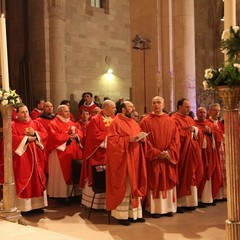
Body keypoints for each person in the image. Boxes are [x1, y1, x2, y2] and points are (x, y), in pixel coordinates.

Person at [0, 104, 48, 214]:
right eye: (22, 112)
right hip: (22, 159)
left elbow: (45, 134)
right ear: (17, 114)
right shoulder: (12, 125)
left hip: (36, 159)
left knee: (37, 180)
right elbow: (10, 139)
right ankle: (25, 207)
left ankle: (38, 205)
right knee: (24, 180)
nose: (25, 114)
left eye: (26, 111)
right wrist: (26, 139)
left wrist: (35, 134)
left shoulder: (36, 123)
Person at [106, 101, 147, 226]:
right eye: (130, 107)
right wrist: (128, 140)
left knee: (134, 184)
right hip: (123, 160)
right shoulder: (116, 122)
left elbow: (137, 137)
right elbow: (112, 141)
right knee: (126, 186)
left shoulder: (134, 122)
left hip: (135, 159)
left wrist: (142, 139)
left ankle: (134, 213)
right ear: (123, 109)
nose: (133, 109)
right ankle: (122, 215)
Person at [140, 96, 180, 218]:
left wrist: (169, 152)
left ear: (163, 105)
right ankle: (155, 209)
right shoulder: (145, 121)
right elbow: (143, 140)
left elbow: (176, 140)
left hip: (167, 157)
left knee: (167, 181)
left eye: (159, 103)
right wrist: (155, 152)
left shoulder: (171, 121)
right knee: (155, 181)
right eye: (154, 103)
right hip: (154, 159)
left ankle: (168, 208)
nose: (156, 105)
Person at [80, 100, 116, 209]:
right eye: (113, 108)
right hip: (98, 154)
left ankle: (109, 203)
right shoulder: (95, 120)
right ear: (106, 108)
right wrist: (110, 138)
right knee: (98, 177)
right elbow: (94, 137)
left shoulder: (115, 119)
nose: (115, 110)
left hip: (112, 155)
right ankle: (95, 204)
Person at [171, 98, 203, 212]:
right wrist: (188, 131)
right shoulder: (174, 119)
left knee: (192, 175)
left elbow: (196, 132)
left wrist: (194, 130)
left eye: (189, 107)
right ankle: (180, 203)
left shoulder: (190, 119)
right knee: (182, 175)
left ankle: (191, 202)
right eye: (186, 107)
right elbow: (175, 135)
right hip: (182, 152)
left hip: (192, 152)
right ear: (179, 107)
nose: (189, 109)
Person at [47, 105, 83, 201]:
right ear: (59, 112)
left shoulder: (71, 122)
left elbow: (80, 133)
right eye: (66, 111)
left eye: (69, 111)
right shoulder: (53, 123)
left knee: (74, 171)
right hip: (60, 152)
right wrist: (68, 137)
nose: (68, 113)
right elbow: (54, 137)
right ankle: (61, 195)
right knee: (61, 173)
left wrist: (76, 136)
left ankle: (74, 194)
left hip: (73, 152)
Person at [195, 107, 222, 207]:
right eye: (200, 112)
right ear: (197, 113)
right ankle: (198, 199)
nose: (202, 114)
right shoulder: (194, 124)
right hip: (199, 155)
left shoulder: (210, 125)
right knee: (200, 175)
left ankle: (208, 198)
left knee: (209, 176)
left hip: (210, 155)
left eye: (204, 112)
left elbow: (219, 136)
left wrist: (210, 132)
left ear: (207, 114)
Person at [206, 103, 226, 201]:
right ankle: (217, 195)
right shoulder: (207, 123)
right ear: (209, 111)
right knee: (216, 172)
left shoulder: (221, 124)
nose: (217, 112)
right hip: (214, 151)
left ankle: (224, 194)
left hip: (223, 150)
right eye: (214, 110)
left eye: (218, 110)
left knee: (224, 172)